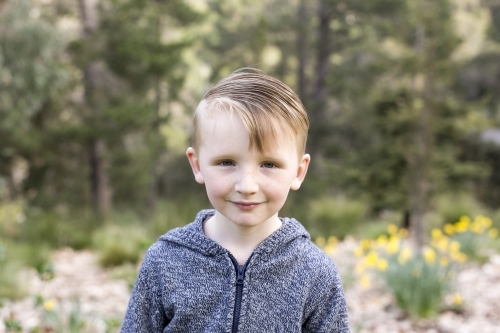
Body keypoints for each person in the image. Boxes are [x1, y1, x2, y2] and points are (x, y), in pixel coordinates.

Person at [121, 71, 350, 333]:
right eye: (226, 163)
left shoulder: (315, 271)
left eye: (269, 164)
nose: (247, 186)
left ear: (298, 171)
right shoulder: (164, 261)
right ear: (197, 165)